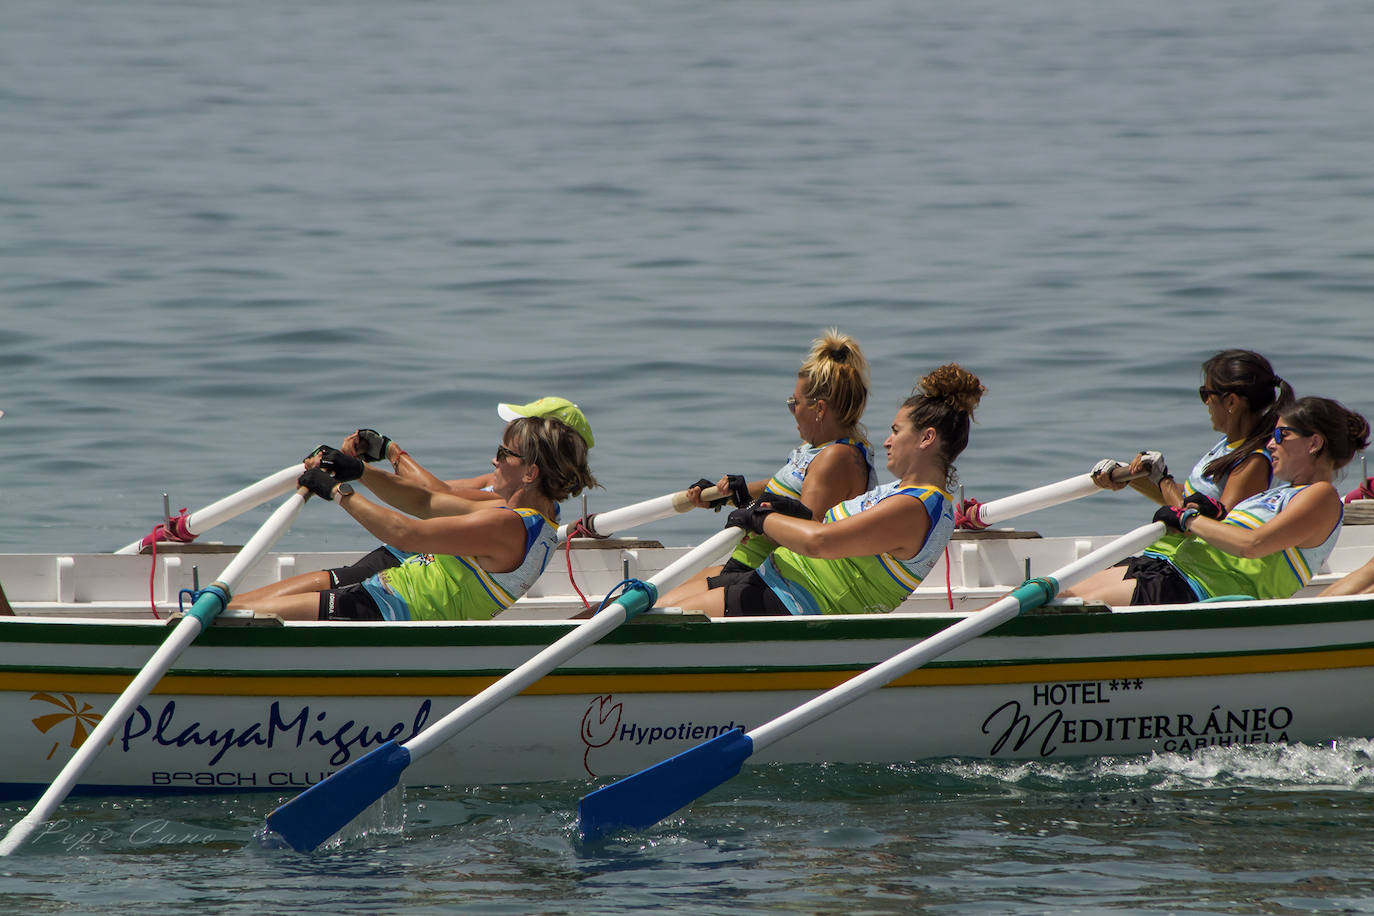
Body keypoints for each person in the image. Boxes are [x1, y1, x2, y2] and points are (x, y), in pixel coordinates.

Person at [228, 405, 597, 621]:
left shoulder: (506, 524)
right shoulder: (524, 511)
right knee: (242, 607)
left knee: (248, 617)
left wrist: (337, 492)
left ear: (530, 473)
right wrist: (359, 470)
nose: (493, 460)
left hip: (393, 613)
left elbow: (405, 534)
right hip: (388, 589)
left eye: (503, 455)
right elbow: (427, 503)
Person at [671, 364, 985, 617]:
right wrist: (755, 501)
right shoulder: (901, 492)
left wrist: (759, 517)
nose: (887, 441)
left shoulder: (914, 508)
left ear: (926, 438)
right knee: (651, 607)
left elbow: (820, 542)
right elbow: (819, 524)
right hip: (776, 577)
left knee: (653, 621)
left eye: (896, 431)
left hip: (793, 604)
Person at [1065, 396, 1369, 606]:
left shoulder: (1321, 495)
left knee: (1070, 609)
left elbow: (1253, 545)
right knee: (1062, 596)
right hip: (1166, 568)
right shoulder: (1276, 494)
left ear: (1314, 442)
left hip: (1199, 591)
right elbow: (1228, 532)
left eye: (1281, 434)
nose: (1270, 443)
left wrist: (1189, 520)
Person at [658, 330, 879, 608]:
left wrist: (753, 514)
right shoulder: (817, 450)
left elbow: (805, 534)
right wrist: (724, 495)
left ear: (819, 408)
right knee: (640, 601)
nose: (791, 410)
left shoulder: (836, 459)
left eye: (794, 403)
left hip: (774, 580)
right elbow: (781, 494)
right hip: (749, 564)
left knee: (650, 612)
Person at [1088, 349, 1293, 512]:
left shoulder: (1253, 461)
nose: (1205, 403)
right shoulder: (1230, 445)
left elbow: (1216, 528)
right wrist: (1130, 475)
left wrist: (1163, 480)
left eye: (1206, 394)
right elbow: (1190, 501)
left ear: (1231, 401)